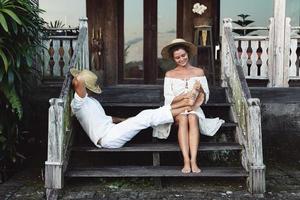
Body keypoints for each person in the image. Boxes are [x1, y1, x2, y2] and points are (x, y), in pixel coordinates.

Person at [70, 68, 195, 149]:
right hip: (108, 138)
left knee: (145, 115)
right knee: (146, 117)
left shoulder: (91, 101)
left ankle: (185, 104)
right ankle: (187, 105)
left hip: (113, 130)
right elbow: (78, 81)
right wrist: (80, 77)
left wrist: (126, 120)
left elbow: (107, 119)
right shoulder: (78, 104)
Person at [153, 38, 224, 173]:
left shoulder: (198, 72)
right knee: (184, 118)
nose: (181, 59)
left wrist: (197, 95)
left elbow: (206, 96)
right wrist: (185, 97)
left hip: (195, 108)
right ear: (174, 59)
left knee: (192, 117)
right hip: (177, 109)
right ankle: (186, 160)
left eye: (183, 55)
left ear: (188, 54)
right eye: (177, 57)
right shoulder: (170, 74)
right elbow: (168, 100)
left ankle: (194, 161)